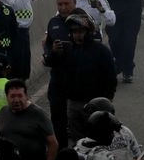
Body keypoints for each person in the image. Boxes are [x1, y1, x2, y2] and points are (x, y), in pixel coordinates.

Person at [45, 13, 117, 144]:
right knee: (78, 142)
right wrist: (54, 53)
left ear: (88, 32)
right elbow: (51, 65)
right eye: (74, 32)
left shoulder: (101, 51)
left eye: (80, 32)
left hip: (95, 103)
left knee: (99, 139)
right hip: (73, 103)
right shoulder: (68, 50)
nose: (77, 35)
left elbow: (111, 76)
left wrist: (107, 99)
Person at [0, 0, 40, 79]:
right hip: (15, 32)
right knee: (17, 67)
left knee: (24, 67)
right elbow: (17, 4)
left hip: (23, 31)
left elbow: (22, 2)